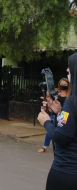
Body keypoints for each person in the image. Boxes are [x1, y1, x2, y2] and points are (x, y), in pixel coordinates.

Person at [38, 55, 77, 189]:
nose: (67, 70)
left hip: (67, 171)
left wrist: (46, 122)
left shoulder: (72, 101)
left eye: (70, 67)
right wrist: (59, 113)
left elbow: (61, 137)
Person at [38, 78, 70, 153]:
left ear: (68, 85)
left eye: (65, 84)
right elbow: (48, 95)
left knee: (61, 129)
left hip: (64, 114)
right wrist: (48, 83)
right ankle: (45, 146)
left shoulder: (69, 95)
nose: (63, 86)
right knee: (50, 128)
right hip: (55, 112)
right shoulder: (56, 92)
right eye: (61, 84)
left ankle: (60, 146)